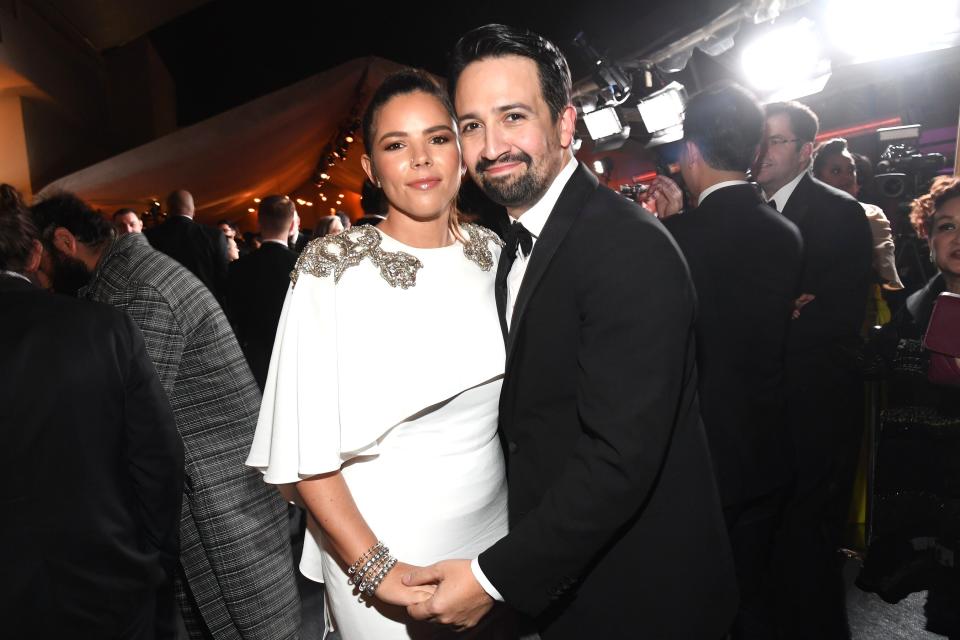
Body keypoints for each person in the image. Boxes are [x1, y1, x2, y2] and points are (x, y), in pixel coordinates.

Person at [404, 24, 737, 639]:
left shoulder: (625, 246)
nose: (492, 145)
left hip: (644, 592)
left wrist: (491, 579)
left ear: (564, 125)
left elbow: (619, 458)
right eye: (473, 125)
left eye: (512, 116)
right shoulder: (517, 242)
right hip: (576, 580)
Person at [247, 69, 510, 639]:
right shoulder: (330, 267)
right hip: (381, 552)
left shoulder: (496, 253)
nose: (421, 158)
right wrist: (377, 570)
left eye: (437, 138)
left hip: (493, 544)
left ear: (462, 150)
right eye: (397, 144)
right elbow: (305, 449)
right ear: (370, 168)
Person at [31, 193, 302, 640]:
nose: (41, 282)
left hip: (220, 512)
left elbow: (125, 422)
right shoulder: (128, 279)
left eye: (41, 267)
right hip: (216, 503)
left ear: (64, 242)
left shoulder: (135, 289)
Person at [1, 185, 184, 639]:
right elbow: (158, 461)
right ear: (33, 256)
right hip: (109, 582)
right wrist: (153, 559)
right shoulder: (104, 328)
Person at [662, 83, 803, 639]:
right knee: (753, 597)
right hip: (768, 447)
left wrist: (668, 225)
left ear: (691, 153)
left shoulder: (671, 240)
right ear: (752, 153)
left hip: (700, 461)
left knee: (696, 607)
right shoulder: (787, 234)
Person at [755, 102, 874, 639]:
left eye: (777, 141)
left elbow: (843, 314)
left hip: (815, 403)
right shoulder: (749, 210)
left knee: (808, 543)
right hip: (762, 405)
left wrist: (778, 311)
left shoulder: (838, 211)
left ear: (806, 150)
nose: (764, 150)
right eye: (762, 139)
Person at [857, 175, 960, 635]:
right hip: (938, 511)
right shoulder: (915, 310)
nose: (957, 238)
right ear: (929, 237)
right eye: (946, 226)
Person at [812, 138, 904, 326]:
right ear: (816, 177)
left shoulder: (871, 214)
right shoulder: (803, 217)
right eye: (836, 171)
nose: (847, 178)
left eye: (851, 169)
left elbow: (888, 275)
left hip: (865, 314)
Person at [227, 195, 300, 390]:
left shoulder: (238, 269)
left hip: (250, 364)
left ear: (259, 222)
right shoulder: (304, 267)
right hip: (294, 361)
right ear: (292, 225)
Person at [145, 190, 230, 304]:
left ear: (168, 211)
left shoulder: (150, 236)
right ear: (193, 210)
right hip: (206, 303)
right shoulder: (214, 235)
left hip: (167, 304)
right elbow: (223, 276)